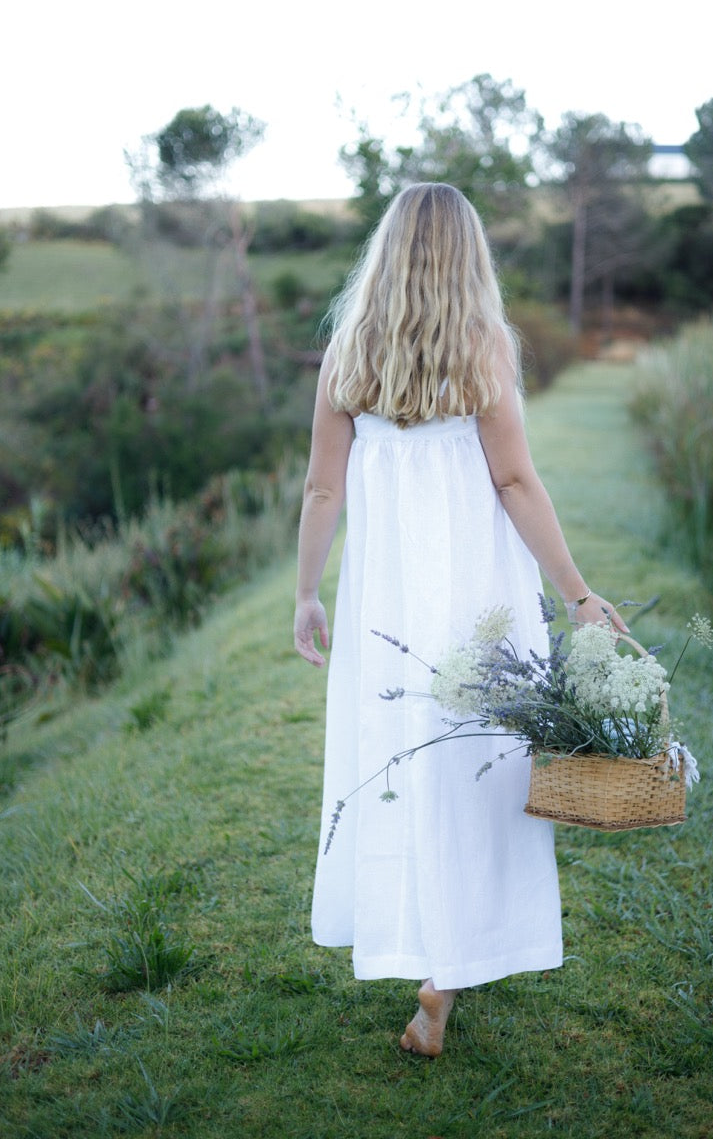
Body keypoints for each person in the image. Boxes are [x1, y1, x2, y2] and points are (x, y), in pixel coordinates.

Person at [294, 182, 627, 1057]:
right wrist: (575, 595)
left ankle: (422, 954)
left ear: (387, 251)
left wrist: (306, 592)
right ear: (467, 255)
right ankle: (444, 973)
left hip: (386, 606)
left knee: (401, 757)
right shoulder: (484, 349)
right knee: (474, 767)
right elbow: (515, 483)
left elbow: (322, 487)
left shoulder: (348, 353)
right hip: (477, 599)